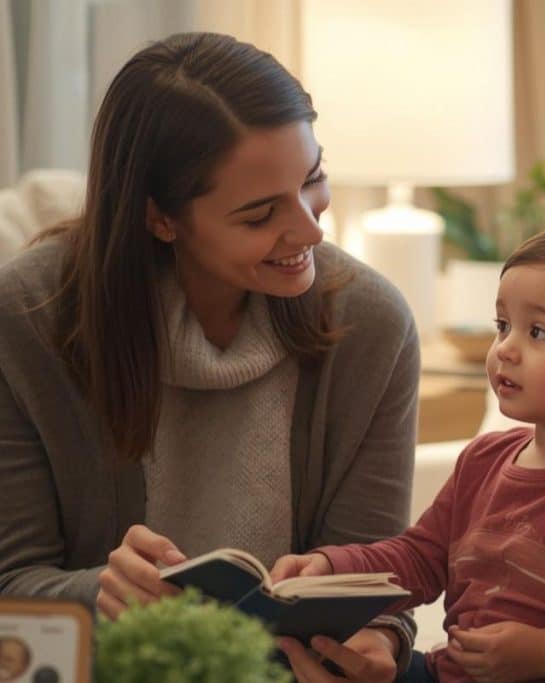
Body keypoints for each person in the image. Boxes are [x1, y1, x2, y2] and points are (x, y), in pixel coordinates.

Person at [0, 33, 420, 682]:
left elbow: (367, 572)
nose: (310, 230)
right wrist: (102, 593)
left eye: (313, 179)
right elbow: (12, 588)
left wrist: (380, 638)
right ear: (161, 218)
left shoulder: (373, 326)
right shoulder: (25, 320)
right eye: (260, 214)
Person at [271, 214, 545, 683]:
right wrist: (332, 569)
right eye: (503, 325)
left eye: (537, 332)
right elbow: (418, 559)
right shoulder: (484, 460)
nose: (505, 348)